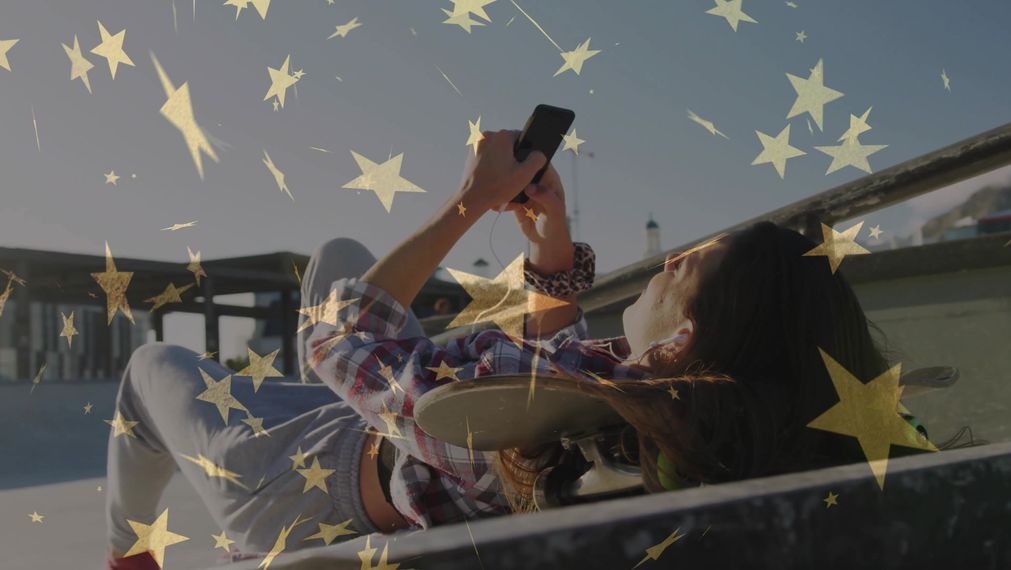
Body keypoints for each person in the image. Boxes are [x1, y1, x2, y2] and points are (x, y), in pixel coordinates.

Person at [103, 129, 910, 569]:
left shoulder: (523, 405)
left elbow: (338, 338)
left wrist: (472, 201)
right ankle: (291, 403)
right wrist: (551, 249)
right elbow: (560, 371)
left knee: (148, 374)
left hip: (307, 485)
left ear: (684, 339)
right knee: (341, 256)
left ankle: (127, 558)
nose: (668, 259)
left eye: (685, 266)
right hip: (399, 435)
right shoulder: (666, 415)